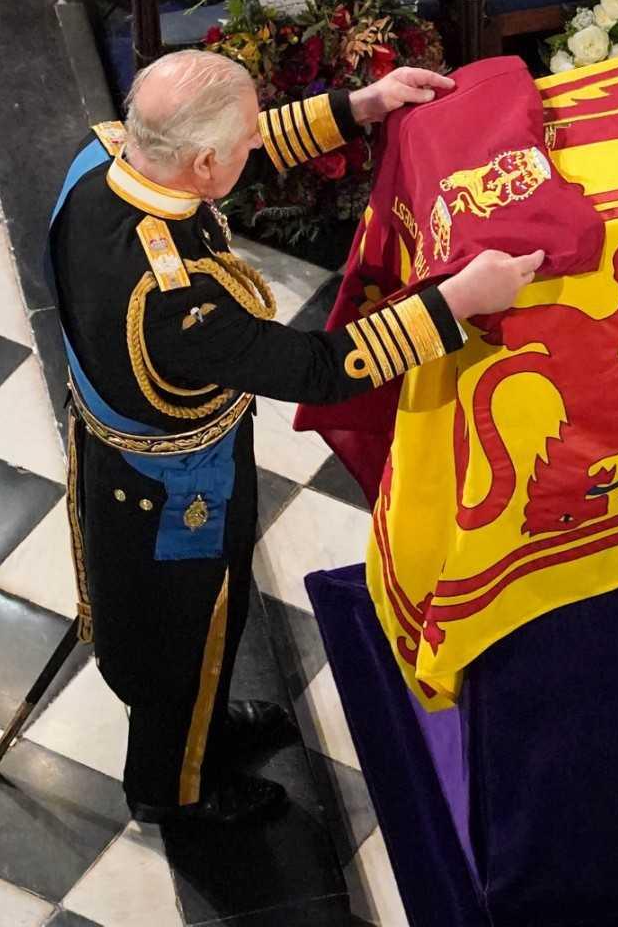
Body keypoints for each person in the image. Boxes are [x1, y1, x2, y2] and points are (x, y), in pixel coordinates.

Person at [47, 51, 544, 825]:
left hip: (145, 453)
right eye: (244, 142)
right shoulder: (174, 301)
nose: (257, 145)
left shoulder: (110, 152)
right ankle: (176, 790)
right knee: (186, 641)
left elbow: (229, 149)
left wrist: (360, 105)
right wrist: (454, 304)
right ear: (206, 163)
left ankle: (202, 734)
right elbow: (318, 367)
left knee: (214, 621)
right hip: (177, 498)